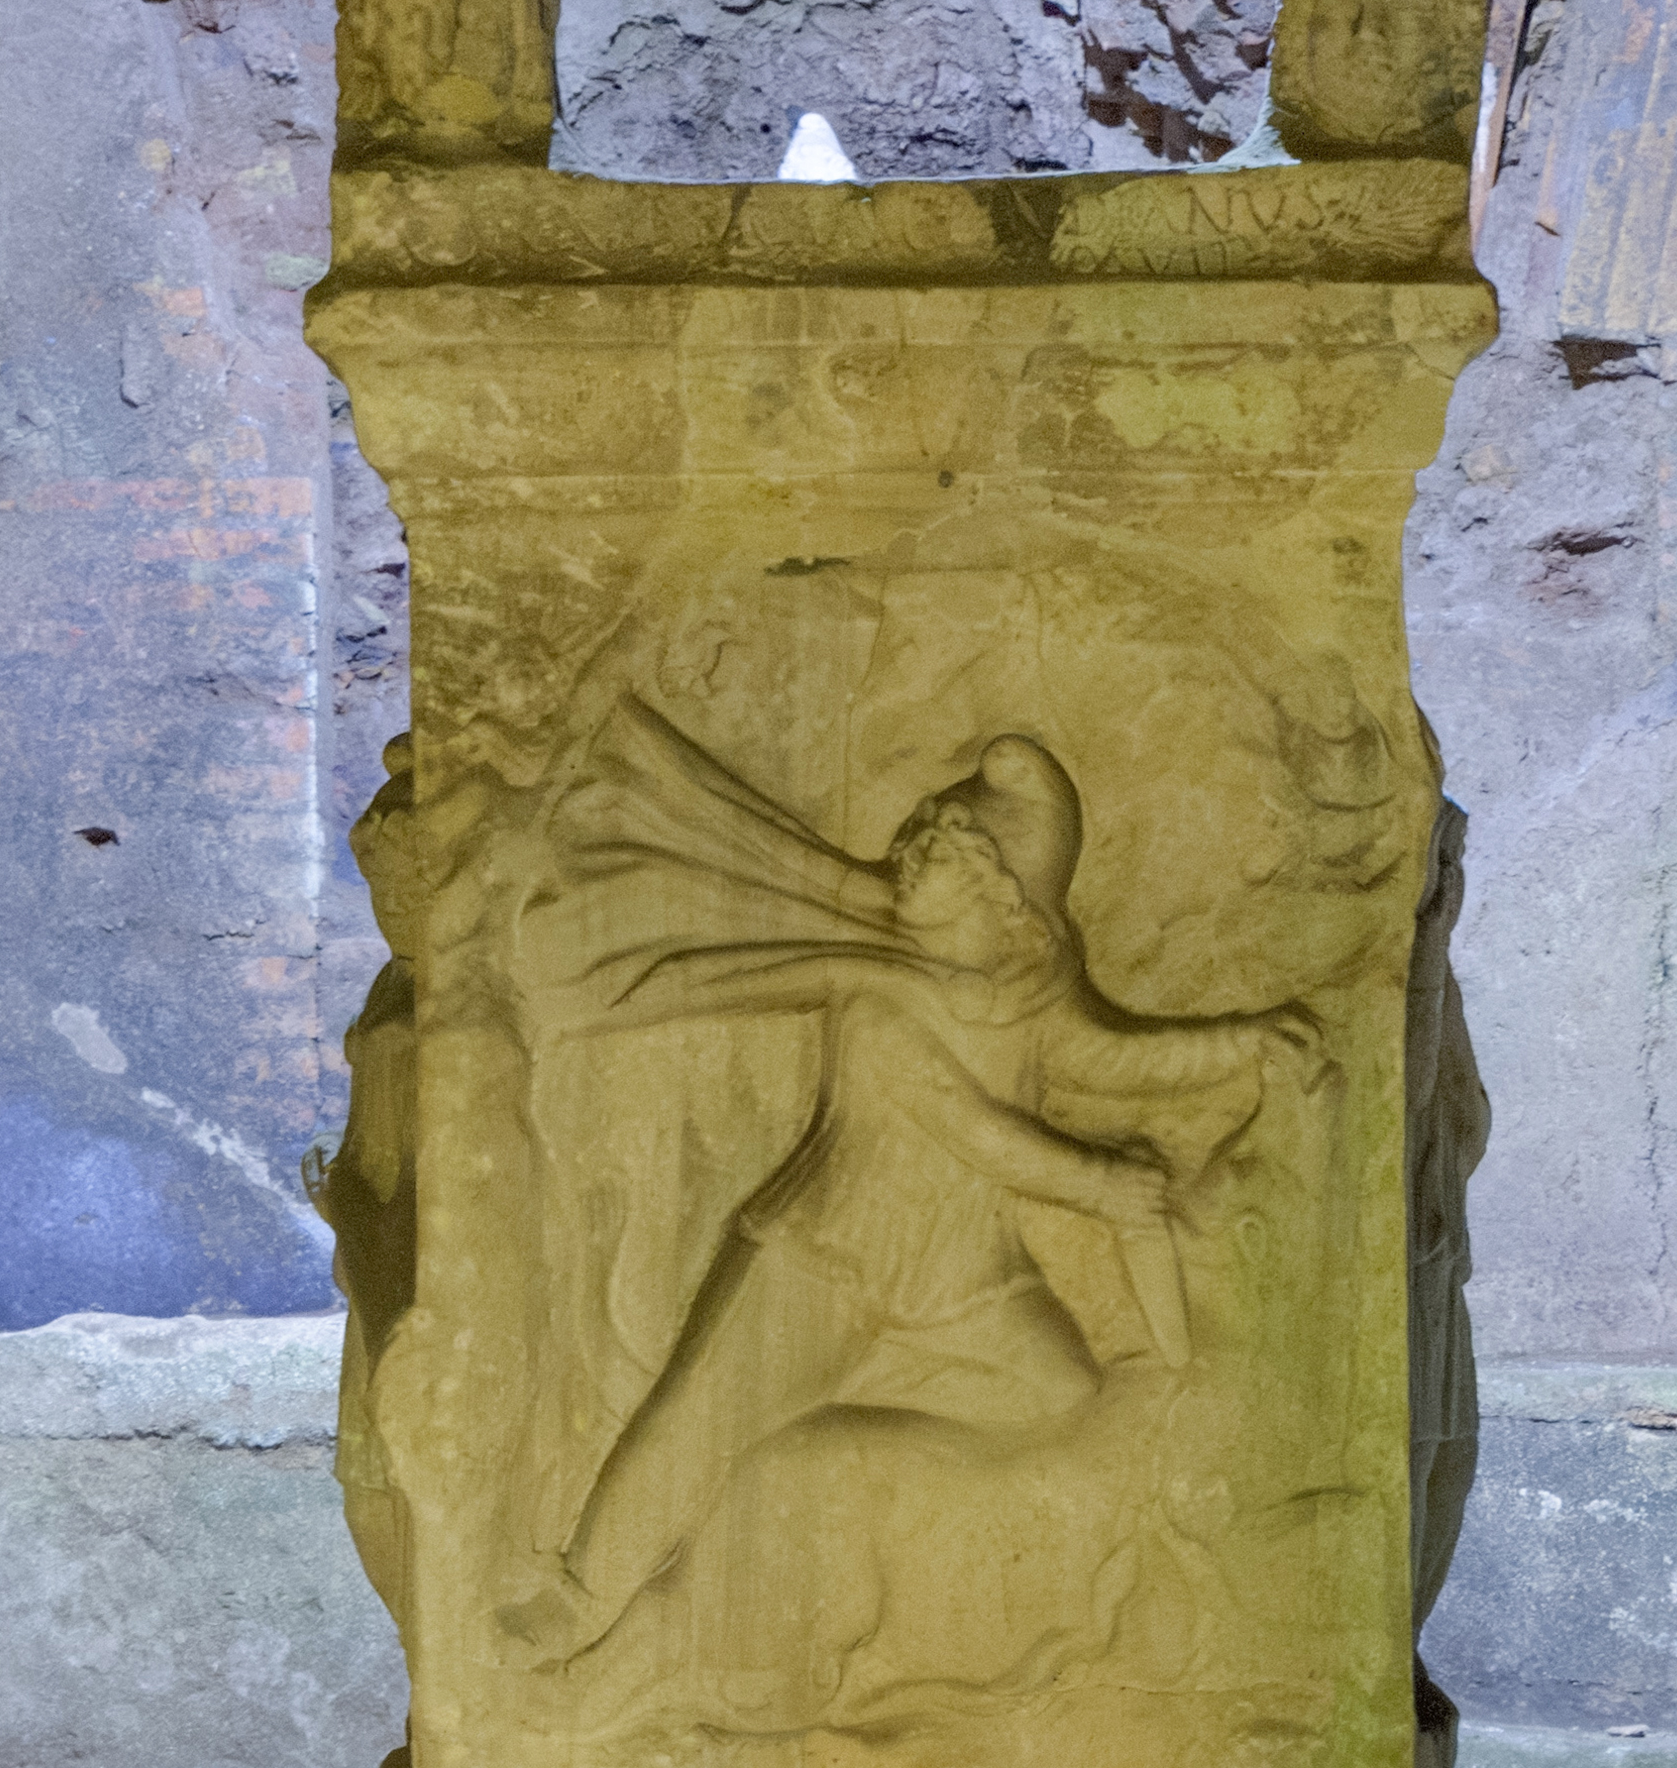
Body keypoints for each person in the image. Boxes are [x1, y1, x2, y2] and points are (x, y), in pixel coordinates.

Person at [493, 702, 1320, 1660]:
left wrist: (1244, 1045)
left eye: (932, 864)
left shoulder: (1037, 998)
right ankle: (581, 1597)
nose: (902, 873)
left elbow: (1116, 1061)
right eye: (911, 855)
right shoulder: (886, 1000)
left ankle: (886, 1481)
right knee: (695, 1420)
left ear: (1000, 897)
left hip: (962, 1287)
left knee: (1060, 1406)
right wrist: (1099, 1183)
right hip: (820, 1264)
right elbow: (977, 1134)